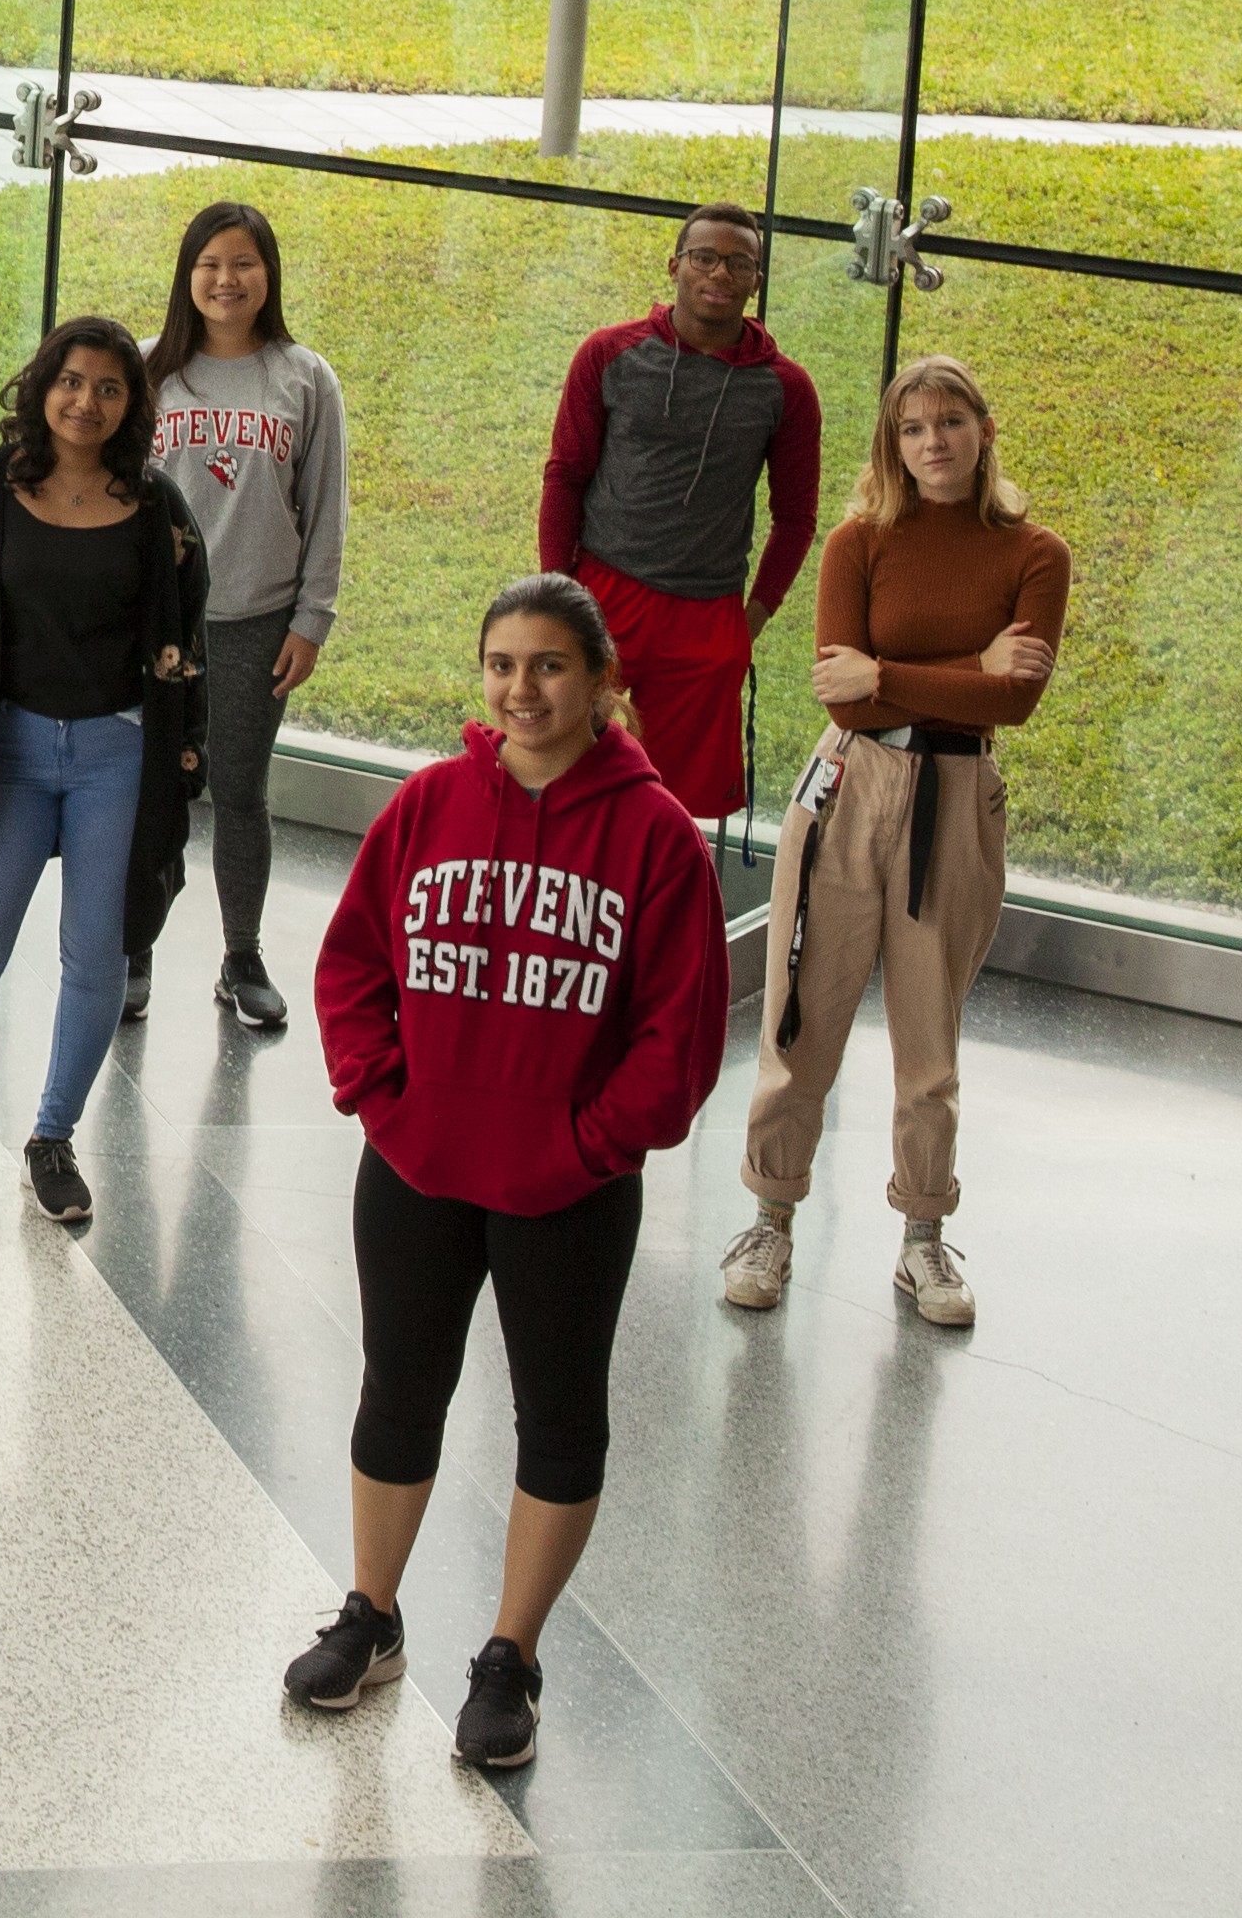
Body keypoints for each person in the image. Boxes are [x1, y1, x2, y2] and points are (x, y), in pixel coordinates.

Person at [286, 574, 723, 1767]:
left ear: (601, 684)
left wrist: (584, 1146)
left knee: (560, 1423)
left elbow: (675, 1038)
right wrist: (384, 1096)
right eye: (502, 665)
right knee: (398, 1393)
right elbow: (353, 963)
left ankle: (510, 1660)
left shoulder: (656, 839)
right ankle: (372, 1617)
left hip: (569, 1192)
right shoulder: (428, 805)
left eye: (548, 667)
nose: (521, 689)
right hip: (419, 1170)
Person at [725, 354, 1068, 1331]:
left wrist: (896, 673)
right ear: (893, 442)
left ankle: (924, 1241)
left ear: (983, 429)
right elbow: (840, 690)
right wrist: (966, 668)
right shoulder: (857, 541)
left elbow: (1020, 699)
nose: (933, 442)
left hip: (956, 800)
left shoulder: (1036, 554)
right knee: (801, 1024)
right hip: (847, 792)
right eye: (914, 428)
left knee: (930, 1047)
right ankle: (770, 1219)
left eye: (951, 421)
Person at [0, 317, 208, 1245]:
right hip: (7, 758)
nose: (86, 402)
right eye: (72, 380)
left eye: (109, 387)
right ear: (41, 384)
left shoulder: (158, 508)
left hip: (114, 759)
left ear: (132, 403)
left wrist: (175, 764)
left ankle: (52, 1139)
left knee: (96, 958)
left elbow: (187, 644)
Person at [534, 202, 822, 821]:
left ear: (756, 281)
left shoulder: (786, 389)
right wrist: (560, 594)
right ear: (675, 266)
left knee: (672, 808)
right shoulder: (608, 354)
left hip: (706, 616)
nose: (719, 273)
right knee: (562, 770)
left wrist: (747, 626)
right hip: (602, 596)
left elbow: (796, 520)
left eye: (738, 262)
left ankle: (662, 914)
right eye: (705, 257)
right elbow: (565, 476)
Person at [137, 197, 346, 1034]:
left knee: (240, 794)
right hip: (152, 622)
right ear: (188, 275)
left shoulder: (305, 378)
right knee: (150, 795)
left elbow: (325, 506)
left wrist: (312, 619)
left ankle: (241, 954)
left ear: (269, 276)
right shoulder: (149, 367)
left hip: (257, 621)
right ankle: (132, 946)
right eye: (210, 264)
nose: (226, 280)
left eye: (243, 264)